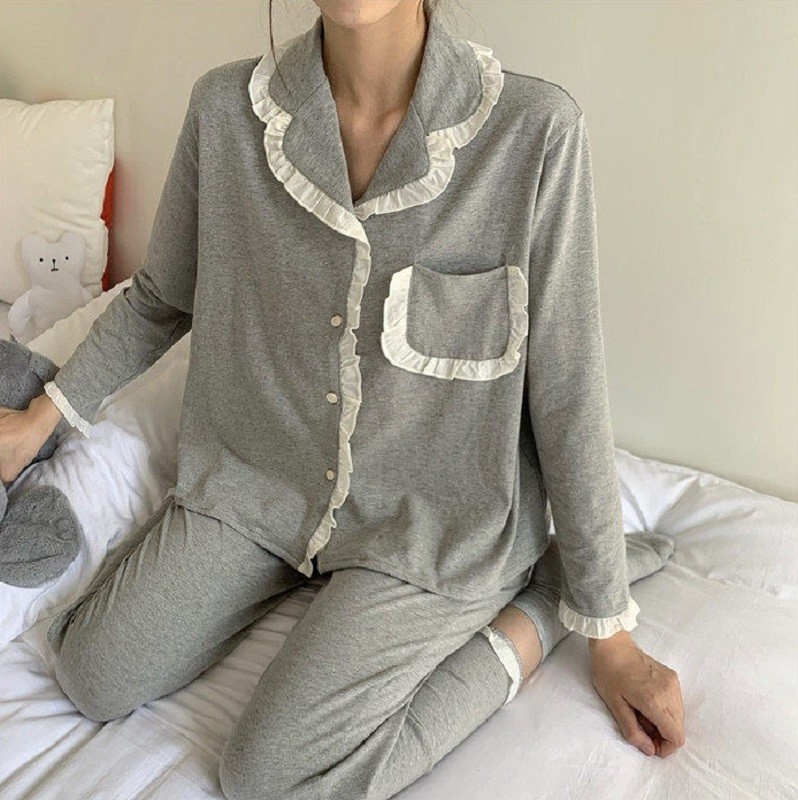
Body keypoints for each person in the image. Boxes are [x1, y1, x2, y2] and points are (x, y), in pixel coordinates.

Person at [0, 1, 685, 798]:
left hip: (430, 520)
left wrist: (609, 634)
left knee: (265, 775)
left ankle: (540, 598)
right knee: (93, 672)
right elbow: (161, 297)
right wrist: (42, 419)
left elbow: (567, 385)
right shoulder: (227, 112)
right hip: (259, 484)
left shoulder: (535, 133)